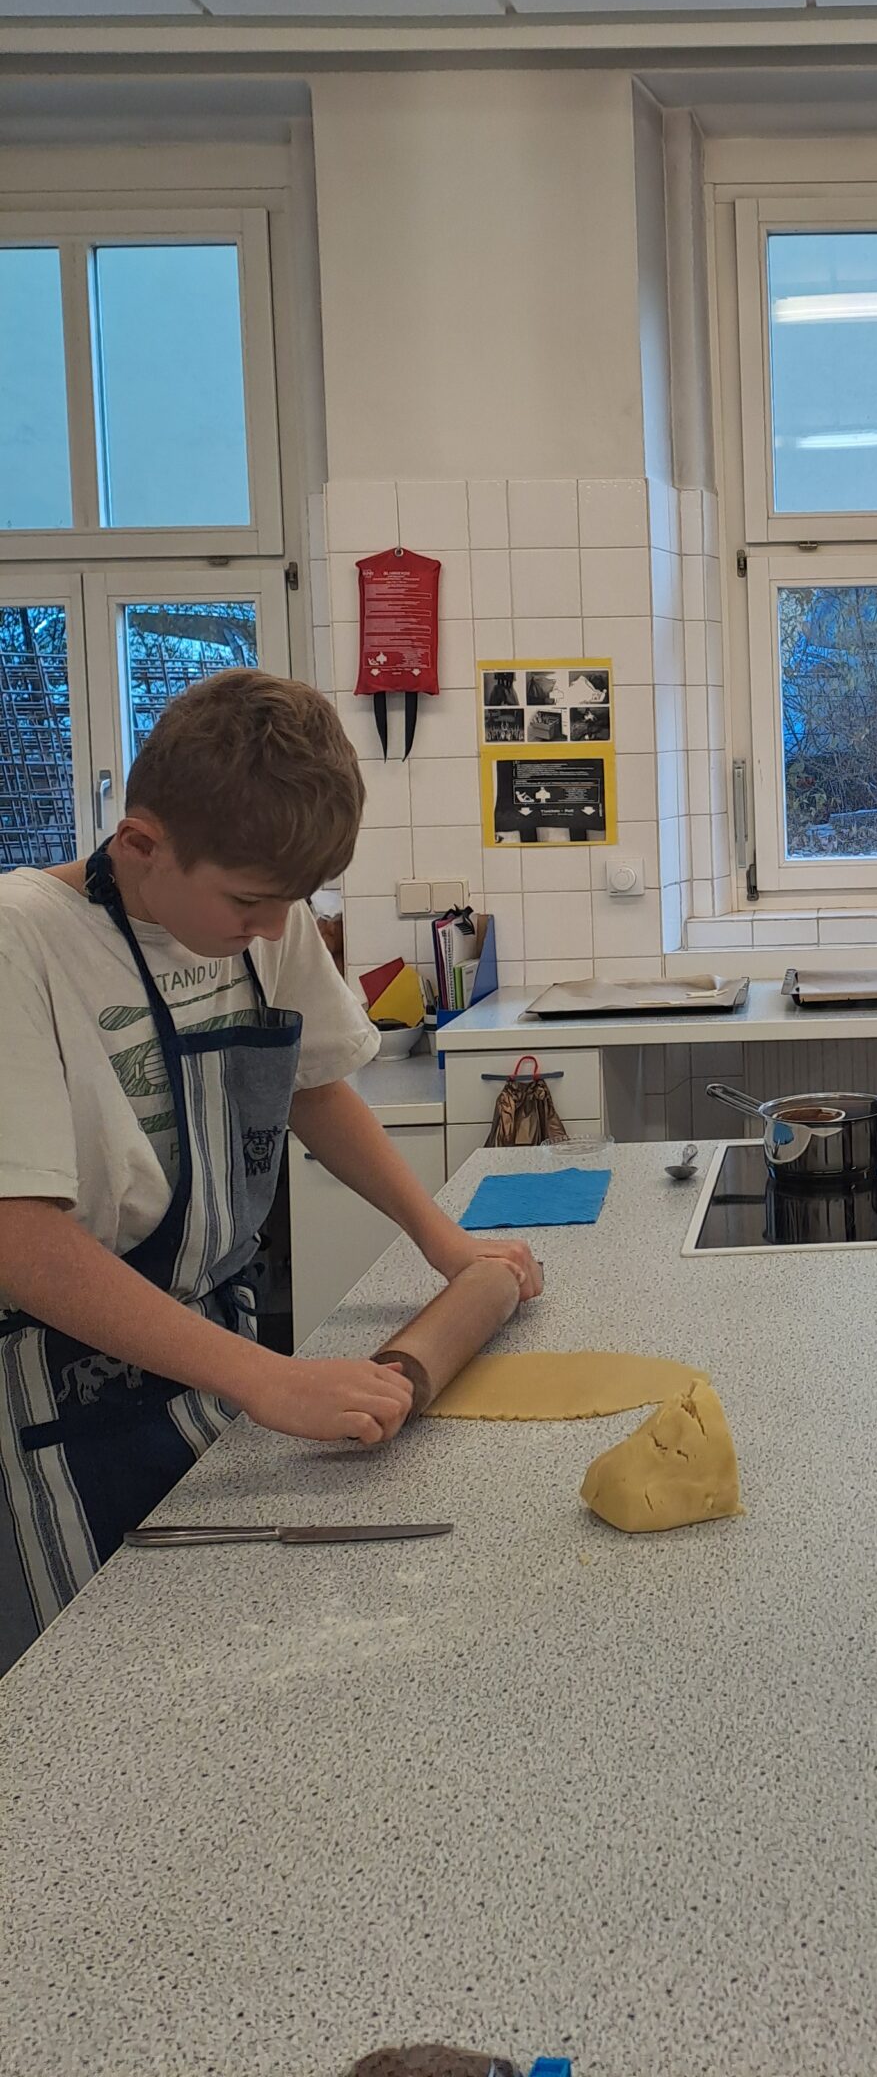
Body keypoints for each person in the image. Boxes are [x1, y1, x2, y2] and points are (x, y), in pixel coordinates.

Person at [0, 670, 542, 1674]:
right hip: (55, 1396)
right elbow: (20, 1240)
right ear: (140, 844)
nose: (271, 927)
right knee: (93, 1684)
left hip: (209, 1356)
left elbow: (312, 1087)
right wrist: (269, 1380)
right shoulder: (21, 939)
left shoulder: (265, 921)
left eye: (291, 904)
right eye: (248, 902)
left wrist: (446, 1242)